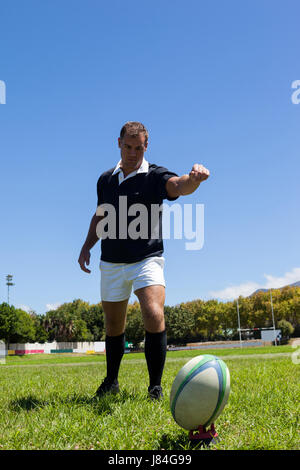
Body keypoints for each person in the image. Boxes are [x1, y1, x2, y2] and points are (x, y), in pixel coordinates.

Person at [78, 121, 209, 400]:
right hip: (111, 261)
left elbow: (178, 186)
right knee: (114, 325)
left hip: (146, 259)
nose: (133, 153)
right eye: (128, 146)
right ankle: (111, 381)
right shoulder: (105, 180)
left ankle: (155, 387)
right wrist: (87, 246)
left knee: (153, 311)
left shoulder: (154, 175)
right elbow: (100, 216)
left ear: (146, 147)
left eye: (139, 148)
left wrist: (193, 180)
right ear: (119, 143)